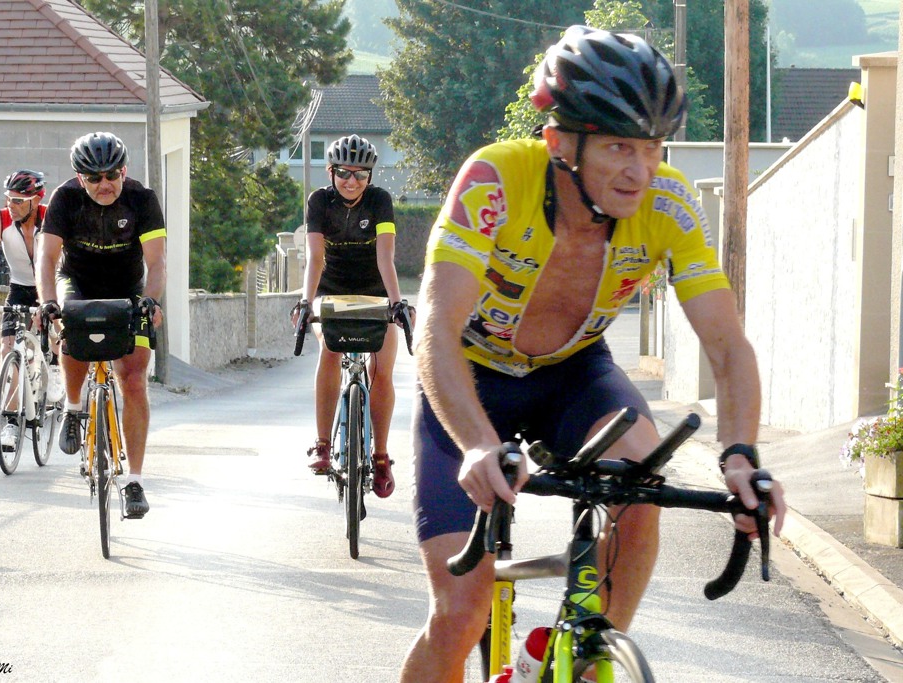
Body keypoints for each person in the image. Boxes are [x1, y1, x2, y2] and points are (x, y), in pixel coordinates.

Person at [400, 26, 787, 682]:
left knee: (642, 477)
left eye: (653, 147)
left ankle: (588, 653)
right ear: (559, 142)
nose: (641, 170)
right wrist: (475, 444)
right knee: (460, 614)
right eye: (618, 147)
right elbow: (436, 330)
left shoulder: (667, 204)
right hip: (471, 381)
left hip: (575, 377)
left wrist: (742, 456)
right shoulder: (495, 179)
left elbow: (727, 344)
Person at [36, 132, 166, 519]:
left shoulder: (142, 199)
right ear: (81, 178)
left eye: (112, 175)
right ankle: (74, 406)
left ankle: (135, 482)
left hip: (127, 288)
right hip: (77, 282)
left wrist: (152, 301)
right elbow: (47, 259)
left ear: (124, 171)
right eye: (94, 178)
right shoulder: (64, 199)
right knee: (70, 326)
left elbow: (156, 262)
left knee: (134, 378)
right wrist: (47, 302)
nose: (104, 184)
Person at [292, 134, 407, 498]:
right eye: (344, 173)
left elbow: (385, 257)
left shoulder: (380, 201)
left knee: (383, 368)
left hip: (375, 291)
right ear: (331, 172)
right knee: (329, 350)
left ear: (370, 176)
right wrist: (306, 301)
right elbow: (316, 258)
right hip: (331, 290)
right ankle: (323, 445)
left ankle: (381, 456)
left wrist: (396, 303)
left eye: (360, 174)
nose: (351, 181)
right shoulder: (319, 202)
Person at [0, 169, 60, 448]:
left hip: (51, 286)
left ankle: (56, 366)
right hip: (19, 288)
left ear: (36, 200)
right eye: (9, 198)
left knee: (59, 331)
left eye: (19, 200)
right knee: (9, 351)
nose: (12, 205)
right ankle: (10, 422)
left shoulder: (51, 217)